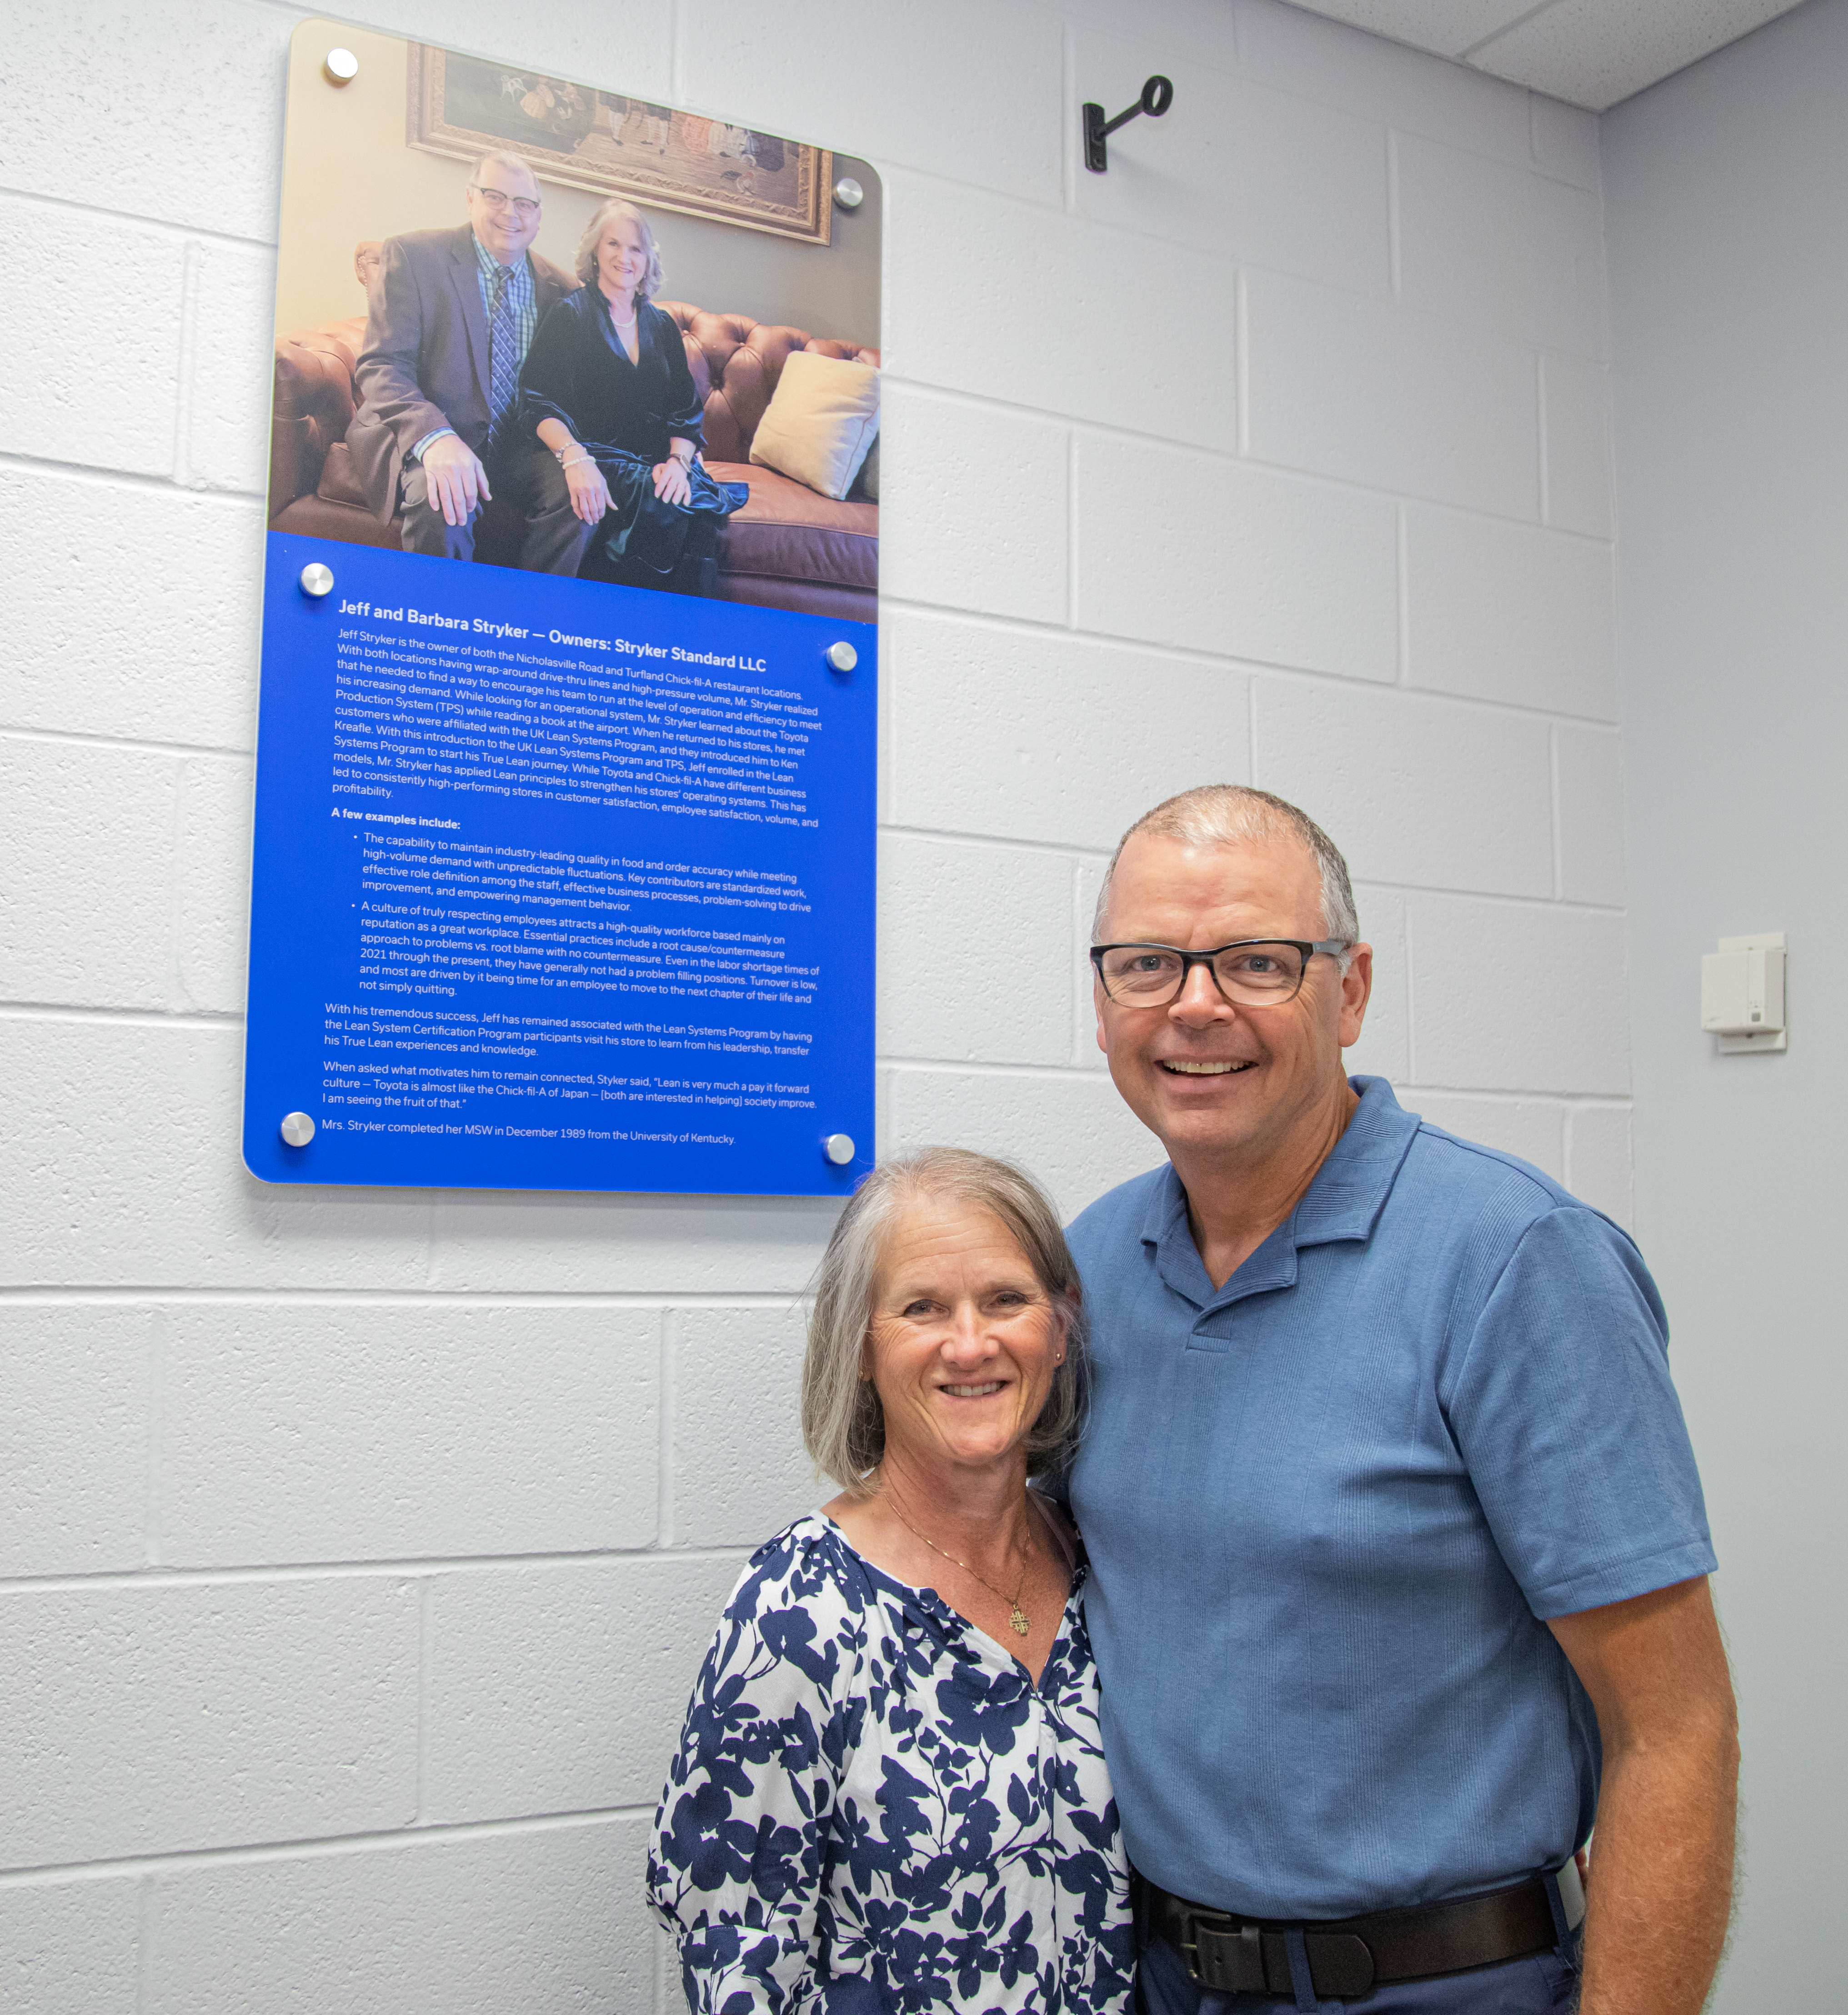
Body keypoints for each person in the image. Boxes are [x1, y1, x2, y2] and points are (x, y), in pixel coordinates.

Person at [1066, 785, 1737, 2015]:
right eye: (1148, 963)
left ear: (1351, 989)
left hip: (1451, 1983)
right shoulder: (1086, 1271)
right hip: (1162, 1979)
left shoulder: (1516, 1259)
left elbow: (1673, 1729)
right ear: (1103, 1000)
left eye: (1257, 961)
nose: (1195, 1004)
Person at [648, 1150, 1135, 2015]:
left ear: (1060, 1329)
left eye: (1006, 1300)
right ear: (863, 1346)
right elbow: (739, 1965)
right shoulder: (795, 1610)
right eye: (922, 1307)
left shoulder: (1105, 1565)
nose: (971, 1342)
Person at [346, 151, 590, 572]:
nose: (510, 213)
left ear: (538, 215)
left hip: (517, 448)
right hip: (427, 431)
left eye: (524, 204)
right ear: (470, 199)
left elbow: (566, 391)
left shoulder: (563, 291)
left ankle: (531, 625)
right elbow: (382, 364)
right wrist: (435, 437)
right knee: (443, 499)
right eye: (495, 197)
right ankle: (440, 632)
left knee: (580, 498)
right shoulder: (414, 256)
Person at [516, 199, 745, 597]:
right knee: (657, 498)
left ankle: (675, 637)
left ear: (647, 259)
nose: (625, 257)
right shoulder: (570, 315)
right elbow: (538, 400)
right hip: (595, 454)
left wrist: (677, 462)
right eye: (613, 244)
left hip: (659, 458)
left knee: (688, 497)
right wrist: (575, 458)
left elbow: (685, 411)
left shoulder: (662, 324)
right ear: (594, 251)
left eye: (636, 248)